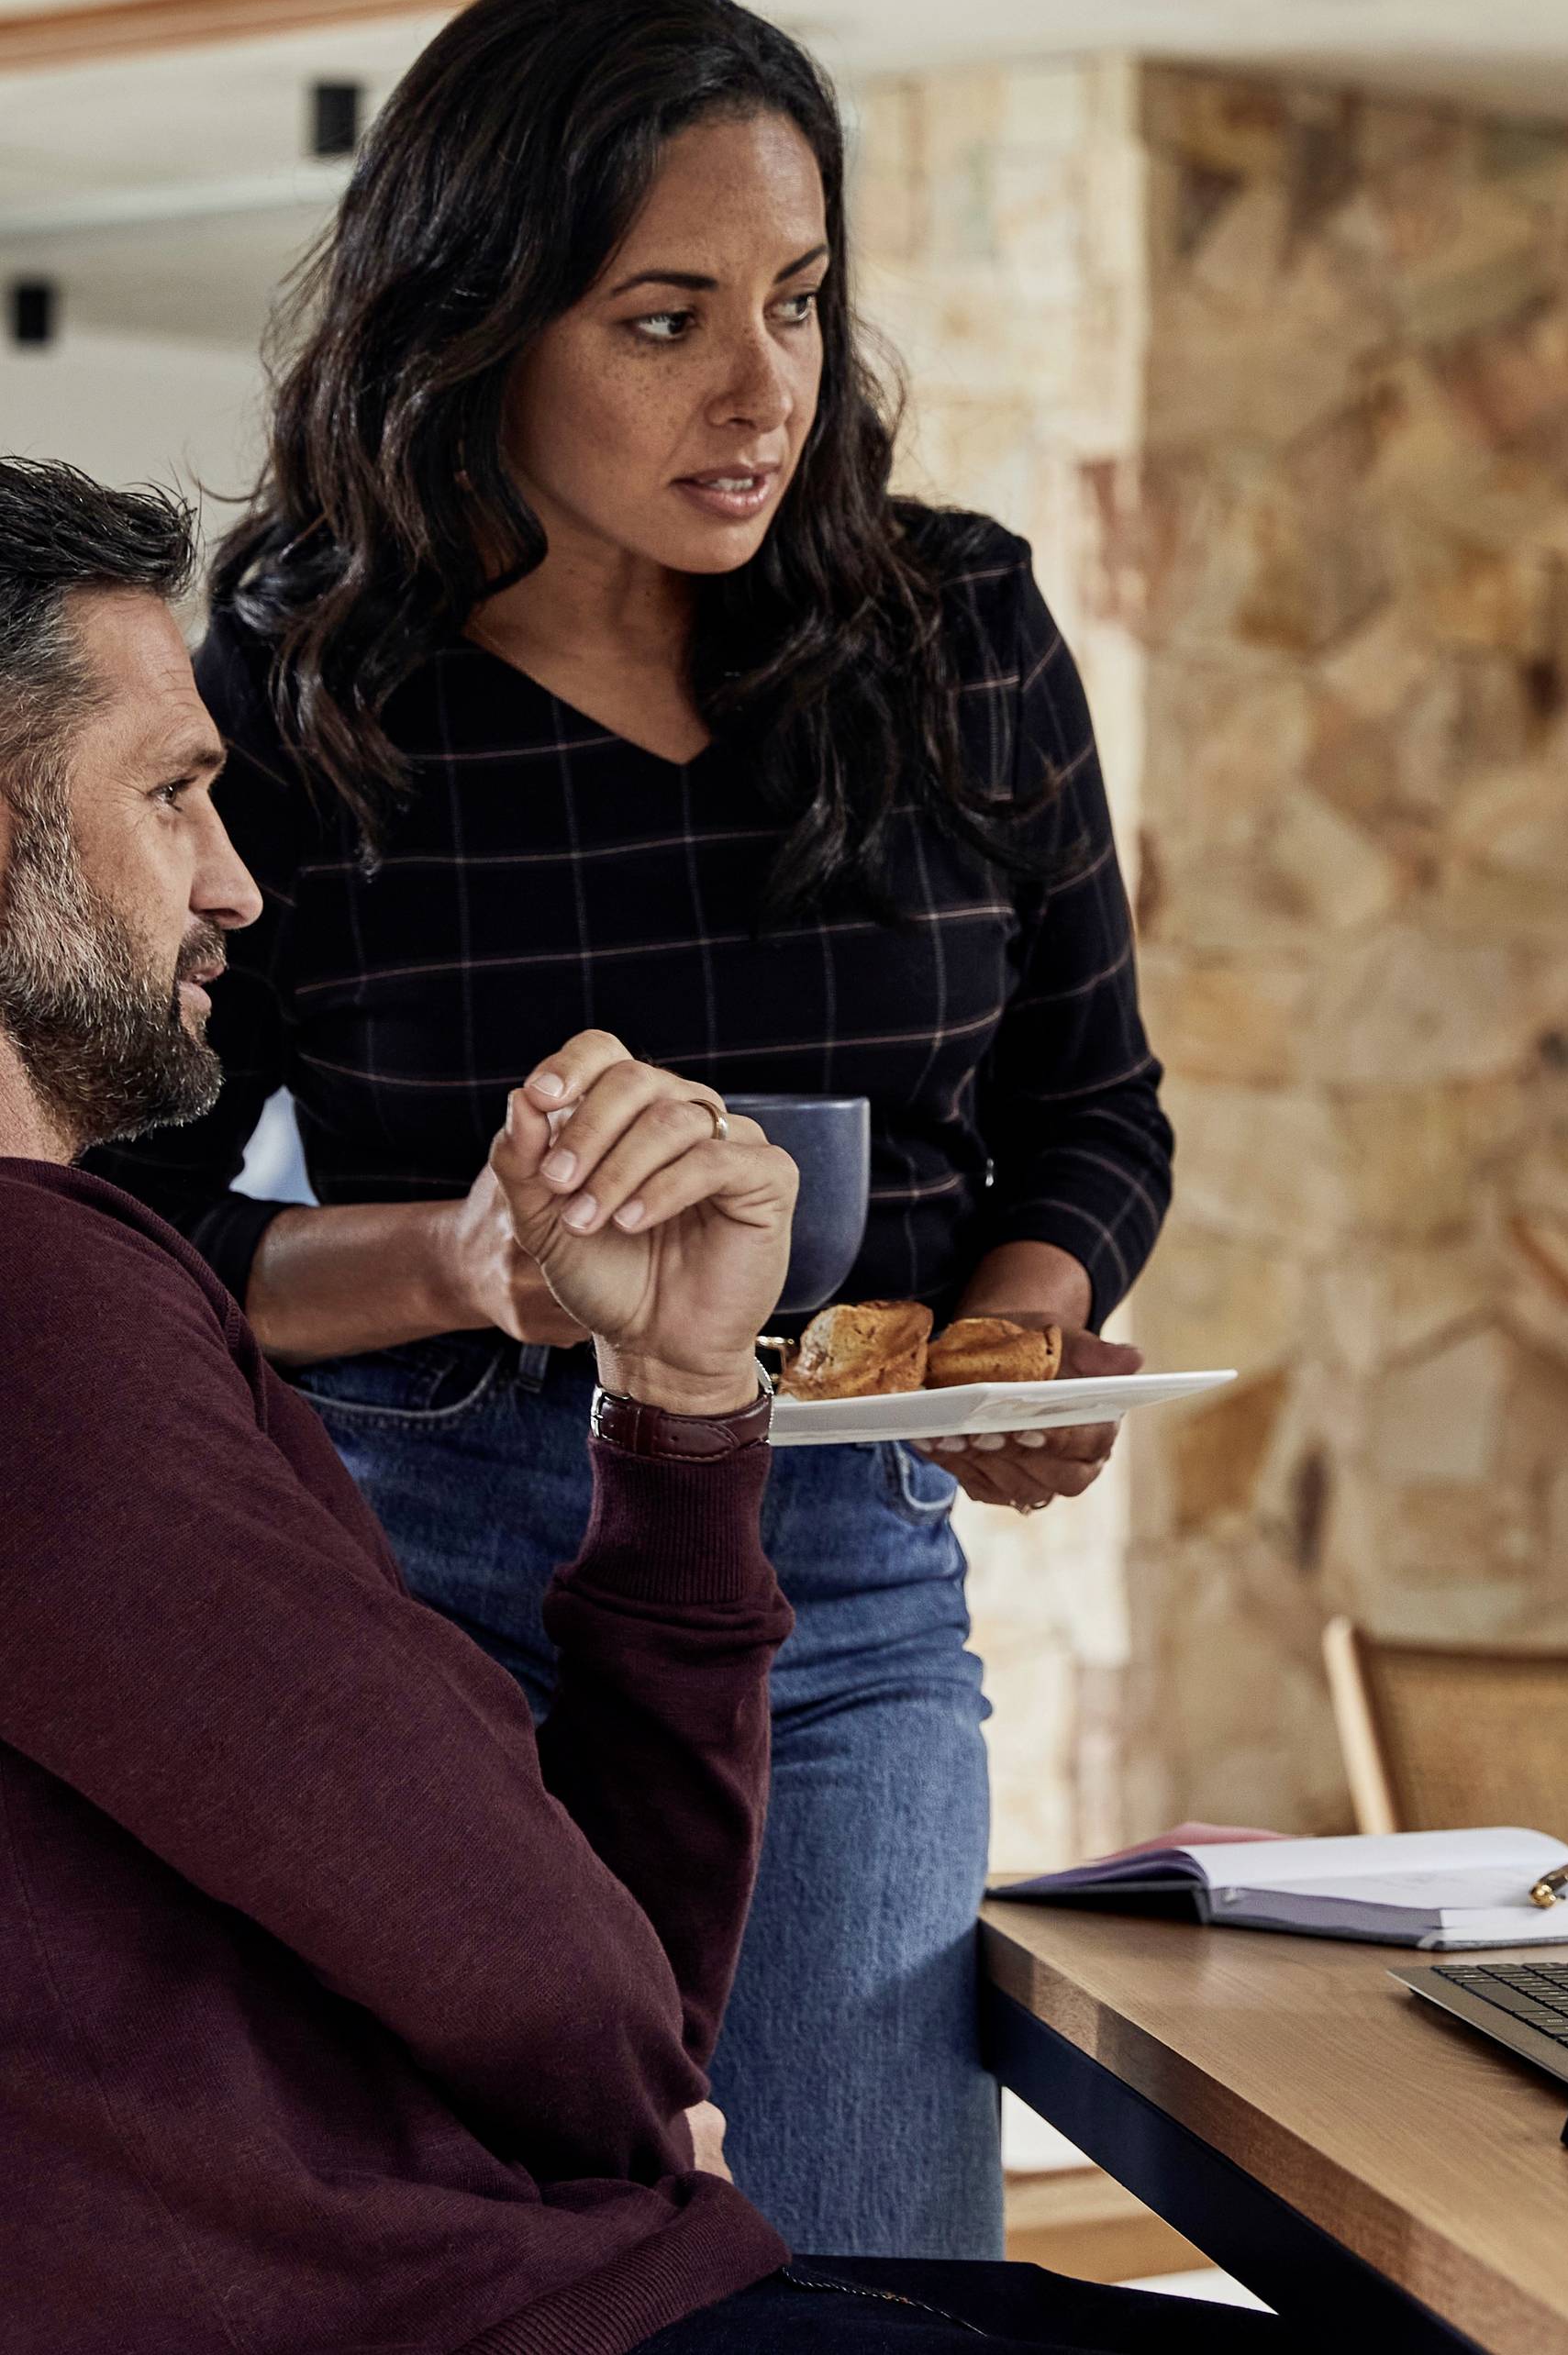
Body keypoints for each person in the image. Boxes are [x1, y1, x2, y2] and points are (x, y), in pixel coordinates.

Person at [98, 0, 1174, 2255]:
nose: (762, 390)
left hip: (838, 1579)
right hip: (412, 1586)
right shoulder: (294, 700)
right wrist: (463, 1263)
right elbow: (133, 1232)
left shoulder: (961, 631)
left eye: (798, 301)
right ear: (478, 325)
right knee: (479, 2279)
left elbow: (1095, 1108)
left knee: (856, 2276)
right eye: (665, 320)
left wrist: (1008, 1339)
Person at [0, 462, 1282, 2353]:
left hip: (536, 2267)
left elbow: (601, 1988)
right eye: (174, 793)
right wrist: (621, 2099)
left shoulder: (82, 1308)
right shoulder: (47, 1312)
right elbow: (576, 1998)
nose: (237, 883)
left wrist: (682, 1392)